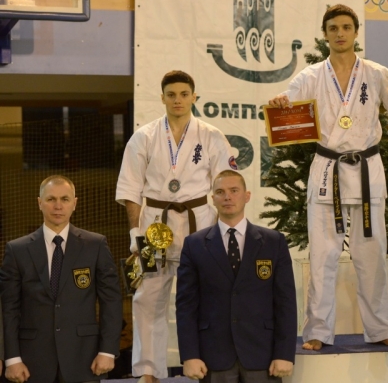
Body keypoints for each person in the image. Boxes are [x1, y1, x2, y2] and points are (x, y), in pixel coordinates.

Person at [268, 4, 388, 350]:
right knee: (322, 256)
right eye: (333, 28)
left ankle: (379, 328)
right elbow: (288, 102)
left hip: (366, 170)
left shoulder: (376, 73)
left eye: (346, 27)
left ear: (355, 32)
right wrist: (280, 104)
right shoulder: (311, 76)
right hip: (327, 170)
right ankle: (318, 331)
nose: (340, 33)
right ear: (325, 34)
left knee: (372, 253)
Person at [116, 70, 236, 381]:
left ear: (194, 97)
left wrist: (223, 232)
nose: (178, 100)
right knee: (147, 298)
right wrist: (135, 235)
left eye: (184, 94)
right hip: (152, 226)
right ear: (162, 98)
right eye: (171, 95)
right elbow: (130, 190)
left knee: (206, 297)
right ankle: (147, 371)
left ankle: (205, 365)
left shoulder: (211, 135)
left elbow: (226, 184)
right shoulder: (144, 137)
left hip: (200, 223)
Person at [176, 170, 296, 382]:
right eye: (220, 192)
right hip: (213, 357)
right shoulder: (194, 245)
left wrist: (285, 353)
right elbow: (186, 305)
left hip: (263, 355)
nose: (227, 197)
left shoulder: (273, 242)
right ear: (212, 199)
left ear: (247, 196)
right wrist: (189, 355)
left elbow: (285, 302)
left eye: (234, 191)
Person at [0, 175, 122, 383]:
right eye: (51, 199)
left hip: (85, 359)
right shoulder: (17, 250)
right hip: (31, 363)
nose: (58, 206)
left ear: (74, 203)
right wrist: (12, 358)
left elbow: (111, 301)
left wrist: (108, 351)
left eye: (65, 199)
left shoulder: (95, 245)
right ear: (39, 203)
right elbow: (8, 307)